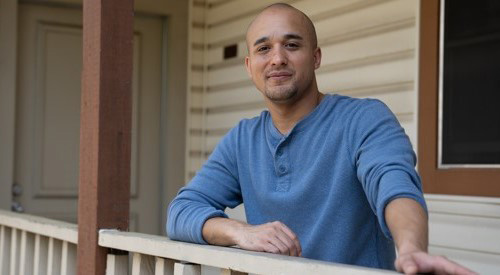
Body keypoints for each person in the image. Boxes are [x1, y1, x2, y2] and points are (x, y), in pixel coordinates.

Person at [168, 3, 476, 274]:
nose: (277, 59)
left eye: (291, 45)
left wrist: (411, 249)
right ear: (250, 67)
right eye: (263, 49)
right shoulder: (242, 140)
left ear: (315, 57)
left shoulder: (363, 119)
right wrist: (240, 232)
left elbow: (395, 185)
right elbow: (182, 211)